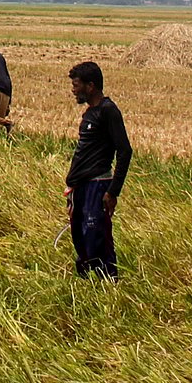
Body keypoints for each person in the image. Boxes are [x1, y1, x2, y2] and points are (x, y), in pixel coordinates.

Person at [66, 61, 132, 279]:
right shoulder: (89, 114)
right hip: (80, 188)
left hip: (98, 185)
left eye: (76, 85)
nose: (73, 89)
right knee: (80, 237)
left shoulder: (108, 111)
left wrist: (113, 192)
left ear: (90, 86)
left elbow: (125, 151)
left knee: (97, 236)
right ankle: (86, 283)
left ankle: (109, 282)